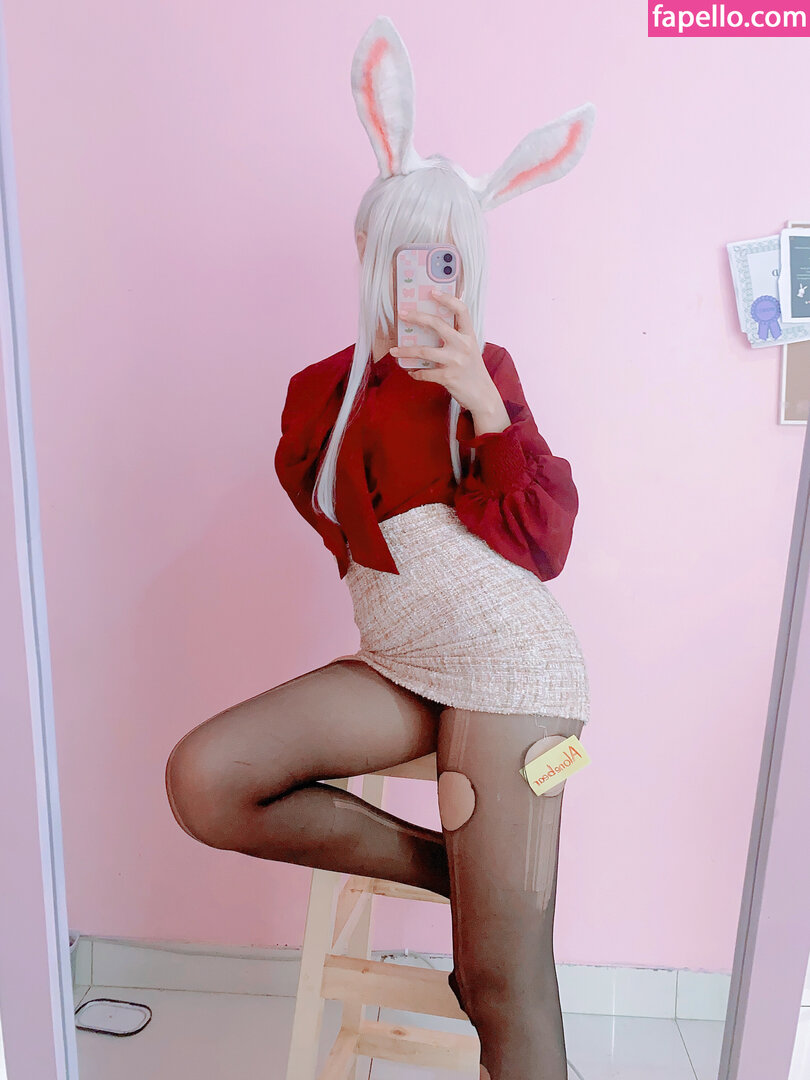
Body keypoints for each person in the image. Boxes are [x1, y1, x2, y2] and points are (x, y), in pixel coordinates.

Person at [164, 16, 596, 1080]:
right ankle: (466, 872)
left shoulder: (484, 374)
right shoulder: (320, 392)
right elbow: (348, 531)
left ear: (469, 263)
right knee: (206, 779)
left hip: (512, 668)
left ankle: (493, 915)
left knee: (497, 981)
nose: (425, 279)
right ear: (369, 251)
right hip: (403, 662)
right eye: (406, 253)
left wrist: (484, 407)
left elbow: (543, 546)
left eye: (447, 258)